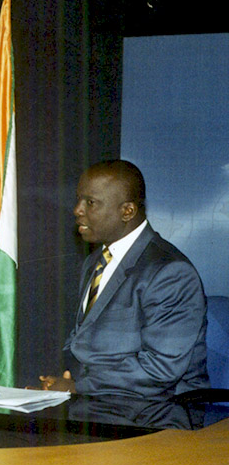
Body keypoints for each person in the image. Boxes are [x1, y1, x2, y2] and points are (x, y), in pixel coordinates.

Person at [38, 159, 209, 400]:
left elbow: (160, 370)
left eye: (90, 202)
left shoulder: (171, 272)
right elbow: (79, 341)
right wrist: (62, 382)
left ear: (127, 211)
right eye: (78, 200)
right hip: (97, 403)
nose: (77, 210)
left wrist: (79, 388)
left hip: (156, 412)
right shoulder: (95, 261)